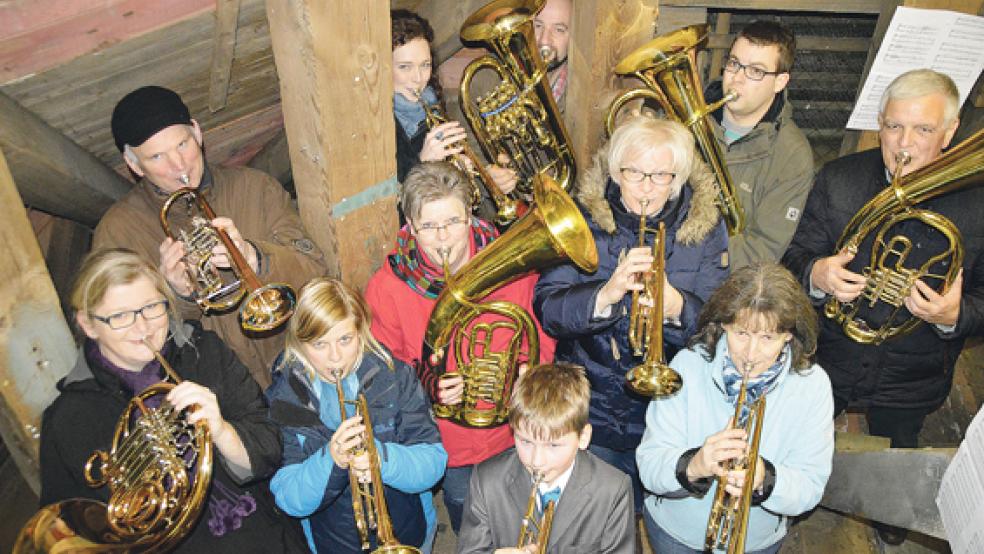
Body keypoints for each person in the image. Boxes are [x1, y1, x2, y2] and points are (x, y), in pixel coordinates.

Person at [781, 68, 984, 544]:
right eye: (893, 126)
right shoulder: (841, 179)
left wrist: (956, 315)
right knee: (800, 440)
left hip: (914, 375)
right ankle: (791, 499)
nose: (904, 144)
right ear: (879, 123)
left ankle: (889, 518)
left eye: (923, 129)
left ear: (951, 132)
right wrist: (817, 274)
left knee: (898, 454)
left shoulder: (979, 205)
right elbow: (794, 257)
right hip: (830, 358)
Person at [38, 248, 307, 552]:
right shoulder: (68, 417)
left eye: (152, 307)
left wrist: (222, 432)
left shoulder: (203, 352)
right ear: (88, 325)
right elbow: (73, 526)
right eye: (120, 316)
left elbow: (271, 447)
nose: (143, 327)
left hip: (263, 537)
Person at [534, 115, 729, 512]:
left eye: (660, 176)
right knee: (592, 510)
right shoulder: (580, 218)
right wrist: (605, 295)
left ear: (678, 178)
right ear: (614, 171)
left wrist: (676, 306)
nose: (646, 187)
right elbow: (549, 308)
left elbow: (720, 325)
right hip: (593, 403)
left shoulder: (706, 228)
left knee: (652, 509)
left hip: (670, 411)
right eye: (634, 173)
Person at [364, 161, 556, 534]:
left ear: (470, 214)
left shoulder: (510, 261)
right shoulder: (387, 287)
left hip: (517, 431)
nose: (442, 239)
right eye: (429, 227)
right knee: (472, 527)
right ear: (409, 225)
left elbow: (542, 331)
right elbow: (386, 371)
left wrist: (530, 369)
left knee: (527, 521)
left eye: (452, 222)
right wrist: (425, 383)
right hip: (450, 443)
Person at [94, 85, 327, 389]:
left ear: (198, 133)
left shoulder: (257, 187)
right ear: (135, 166)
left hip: (299, 367)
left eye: (182, 144)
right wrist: (175, 296)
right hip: (219, 394)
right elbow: (127, 353)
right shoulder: (117, 232)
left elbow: (317, 270)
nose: (179, 165)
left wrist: (256, 258)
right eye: (157, 157)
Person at [636, 262, 834, 553]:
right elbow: (650, 464)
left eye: (768, 337)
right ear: (723, 324)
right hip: (676, 533)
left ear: (789, 334)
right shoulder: (688, 365)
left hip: (757, 541)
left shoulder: (812, 386)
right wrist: (694, 464)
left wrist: (764, 478)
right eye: (741, 333)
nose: (751, 354)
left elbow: (810, 486)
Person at [265, 278, 447, 553]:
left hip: (408, 531)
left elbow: (434, 462)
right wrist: (332, 460)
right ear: (300, 344)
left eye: (345, 339)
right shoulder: (283, 400)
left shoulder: (396, 376)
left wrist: (380, 457)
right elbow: (289, 499)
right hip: (335, 543)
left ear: (361, 332)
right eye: (319, 344)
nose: (335, 358)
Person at [457, 362, 635, 553]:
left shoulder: (613, 489)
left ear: (583, 437)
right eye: (525, 441)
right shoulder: (487, 480)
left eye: (553, 445)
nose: (536, 461)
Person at [704, 20, 814, 269]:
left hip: (725, 278)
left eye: (755, 71)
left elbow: (762, 249)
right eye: (734, 64)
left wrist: (693, 258)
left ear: (780, 82)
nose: (737, 79)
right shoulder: (690, 116)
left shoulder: (792, 156)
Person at [391, 9, 516, 223]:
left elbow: (451, 192)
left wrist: (486, 180)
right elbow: (389, 209)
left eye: (425, 65)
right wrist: (423, 163)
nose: (418, 78)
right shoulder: (378, 128)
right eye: (405, 67)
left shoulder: (431, 104)